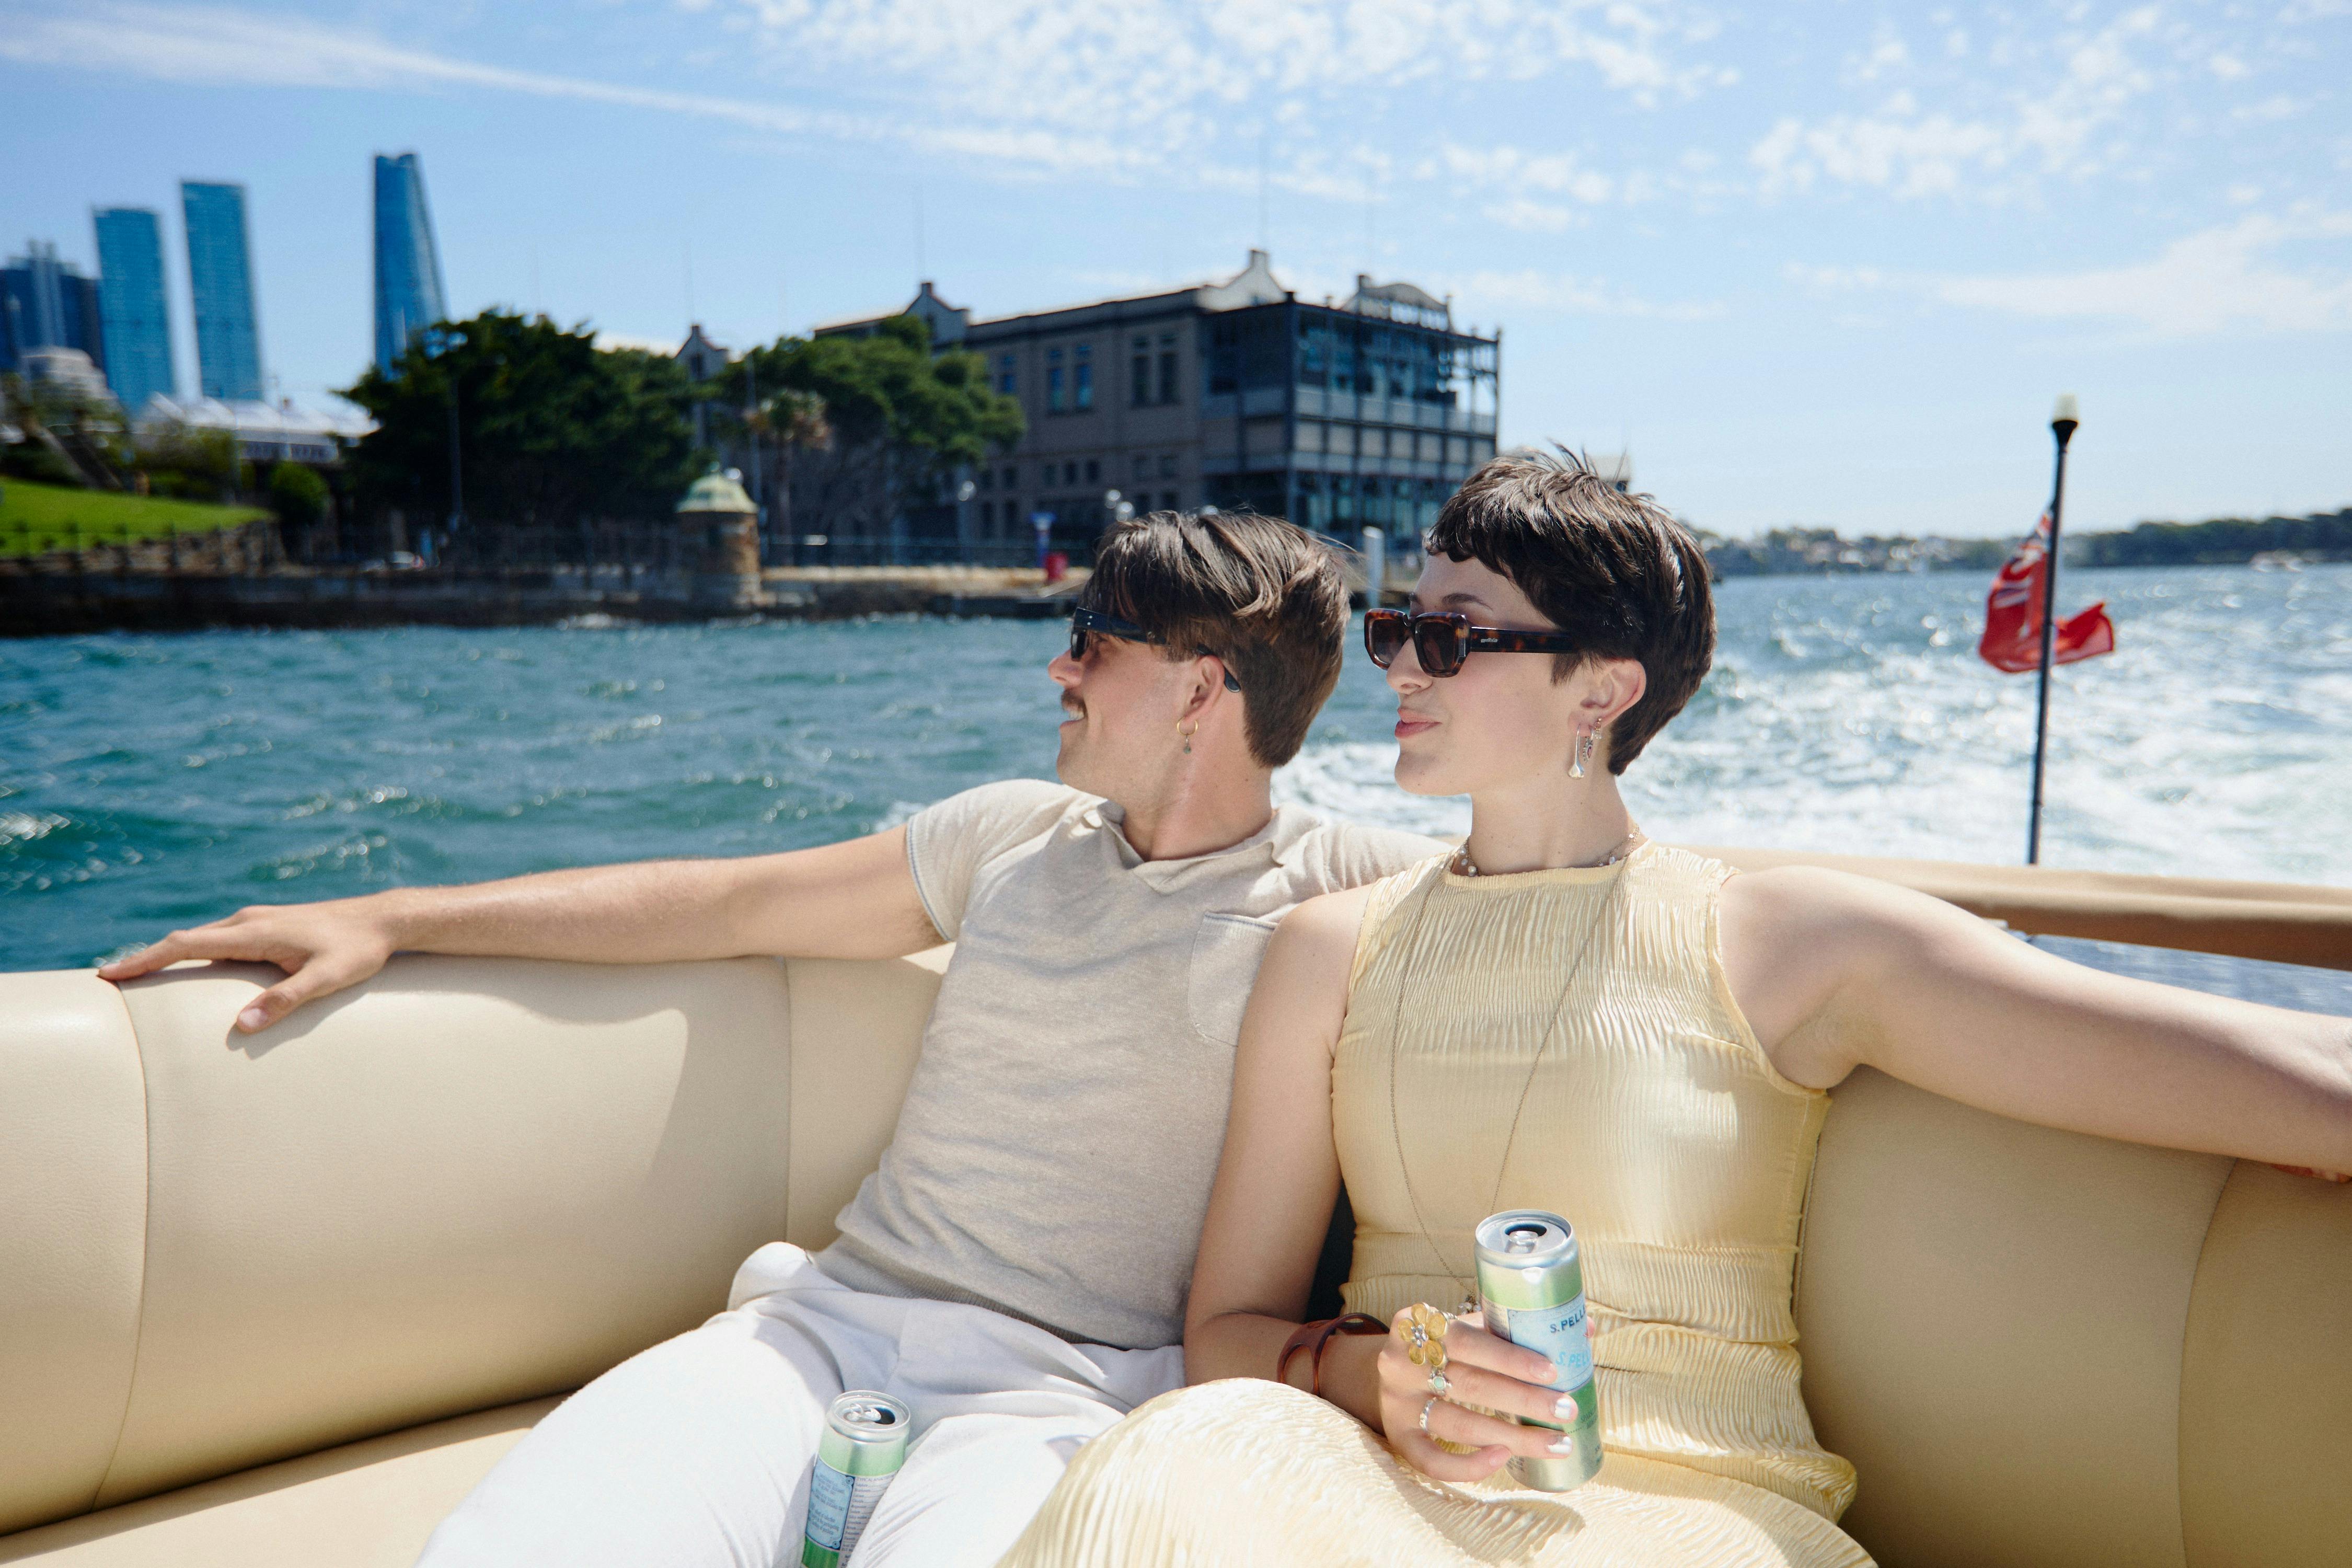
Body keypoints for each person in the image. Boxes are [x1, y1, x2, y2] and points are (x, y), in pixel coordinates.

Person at [996, 452, 2352, 1568]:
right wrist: (1371, 1375)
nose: (1398, 666)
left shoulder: (1781, 937)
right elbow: (1222, 1334)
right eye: (1396, 626)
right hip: (1341, 1477)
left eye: (1449, 636)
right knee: (1158, 1478)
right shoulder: (1325, 948)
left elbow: (2278, 1076)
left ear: (1601, 689)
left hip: (1681, 1511)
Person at [98, 510, 1443, 1568]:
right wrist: (391, 917)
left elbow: (1592, 924)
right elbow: (732, 902)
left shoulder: (1349, 892)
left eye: (1092, 638)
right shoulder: (1007, 834)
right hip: (825, 1330)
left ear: (1203, 689)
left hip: (1077, 1396)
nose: (1058, 664)